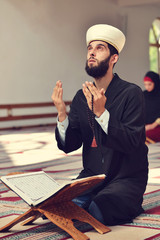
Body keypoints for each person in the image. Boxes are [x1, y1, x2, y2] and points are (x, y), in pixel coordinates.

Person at [51, 24, 148, 226]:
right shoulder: (81, 97)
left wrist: (102, 113)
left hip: (125, 178)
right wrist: (62, 113)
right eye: (90, 48)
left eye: (100, 48)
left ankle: (122, 204)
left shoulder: (131, 93)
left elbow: (132, 141)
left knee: (97, 211)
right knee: (55, 207)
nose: (92, 53)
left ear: (114, 58)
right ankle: (84, 202)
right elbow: (69, 145)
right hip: (92, 177)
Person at [143, 71, 160, 142]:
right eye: (145, 84)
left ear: (155, 83)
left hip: (157, 126)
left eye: (149, 84)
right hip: (145, 125)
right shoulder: (143, 94)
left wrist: (152, 125)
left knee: (144, 135)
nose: (147, 87)